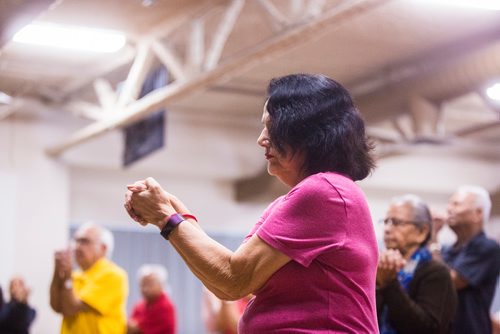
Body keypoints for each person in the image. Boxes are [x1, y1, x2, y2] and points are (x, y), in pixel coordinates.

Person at [124, 73, 379, 332]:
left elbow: (234, 279)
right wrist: (171, 212)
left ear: (305, 130)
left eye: (272, 127)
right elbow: (225, 282)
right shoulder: (304, 197)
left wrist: (166, 217)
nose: (261, 139)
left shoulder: (324, 191)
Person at [376, 194, 457, 334]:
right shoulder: (382, 267)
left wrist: (389, 284)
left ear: (422, 231)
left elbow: (427, 329)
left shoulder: (436, 272)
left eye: (396, 222)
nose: (387, 229)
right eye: (386, 221)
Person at [434, 185, 500, 334]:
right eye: (450, 204)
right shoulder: (446, 250)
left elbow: (447, 282)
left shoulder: (487, 247)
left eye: (456, 204)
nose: (449, 209)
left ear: (478, 213)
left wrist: (433, 240)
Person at [49, 222, 128, 334]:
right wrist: (57, 271)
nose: (77, 247)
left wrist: (66, 276)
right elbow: (56, 306)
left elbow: (70, 308)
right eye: (76, 241)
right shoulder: (75, 275)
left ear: (103, 248)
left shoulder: (113, 275)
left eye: (85, 241)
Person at [128, 264, 176, 334]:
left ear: (161, 285)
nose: (145, 289)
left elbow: (136, 328)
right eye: (142, 285)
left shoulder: (166, 306)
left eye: (150, 284)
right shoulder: (139, 306)